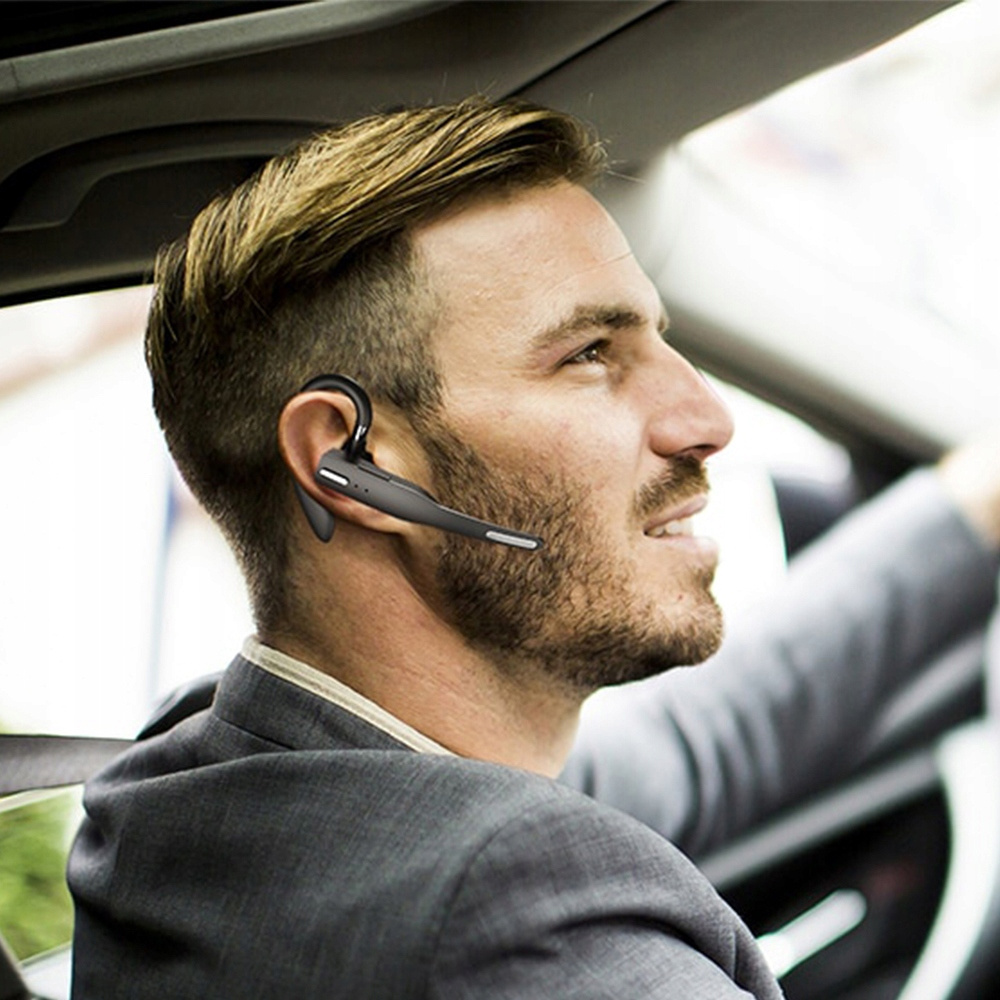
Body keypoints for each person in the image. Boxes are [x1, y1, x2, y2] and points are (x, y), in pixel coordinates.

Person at [68, 99, 1000, 998]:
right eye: (590, 353)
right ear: (352, 460)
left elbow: (698, 744)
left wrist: (971, 508)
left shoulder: (209, 784)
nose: (708, 419)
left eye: (661, 341)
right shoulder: (513, 922)